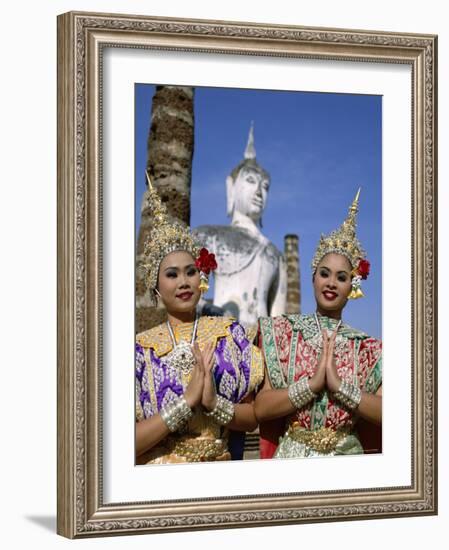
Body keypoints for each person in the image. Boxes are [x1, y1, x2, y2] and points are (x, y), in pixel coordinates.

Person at [135, 174, 264, 464]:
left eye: (190, 272)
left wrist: (212, 403)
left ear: (201, 277)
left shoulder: (229, 334)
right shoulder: (140, 350)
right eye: (172, 274)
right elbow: (123, 443)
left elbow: (253, 416)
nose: (183, 281)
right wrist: (186, 403)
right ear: (156, 288)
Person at [255, 190, 382, 459]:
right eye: (324, 274)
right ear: (313, 278)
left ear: (353, 287)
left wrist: (339, 387)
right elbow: (261, 408)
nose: (331, 283)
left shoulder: (369, 349)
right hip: (293, 457)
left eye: (342, 277)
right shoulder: (281, 333)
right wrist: (311, 386)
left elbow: (392, 415)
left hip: (347, 458)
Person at [194, 123, 287, 327]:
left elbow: (278, 319)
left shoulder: (274, 254)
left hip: (259, 345)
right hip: (217, 337)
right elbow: (187, 297)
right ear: (231, 186)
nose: (259, 192)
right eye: (251, 181)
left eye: (265, 186)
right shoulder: (209, 237)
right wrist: (209, 310)